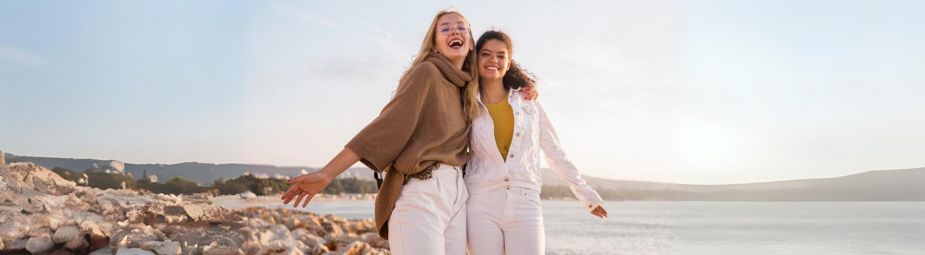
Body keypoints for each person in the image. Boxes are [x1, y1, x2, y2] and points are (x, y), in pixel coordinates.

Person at [281, 11, 535, 255]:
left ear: (470, 44)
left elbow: (497, 69)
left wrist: (524, 83)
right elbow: (385, 127)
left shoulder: (467, 88)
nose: (454, 31)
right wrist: (327, 173)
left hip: (458, 197)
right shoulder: (427, 73)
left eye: (461, 28)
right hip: (422, 193)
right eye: (445, 28)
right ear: (435, 45)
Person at [465, 30, 609, 255]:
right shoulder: (466, 103)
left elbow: (554, 151)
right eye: (486, 54)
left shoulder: (527, 102)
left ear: (508, 62)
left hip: (525, 203)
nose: (493, 60)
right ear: (476, 59)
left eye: (501, 56)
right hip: (480, 203)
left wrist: (585, 194)